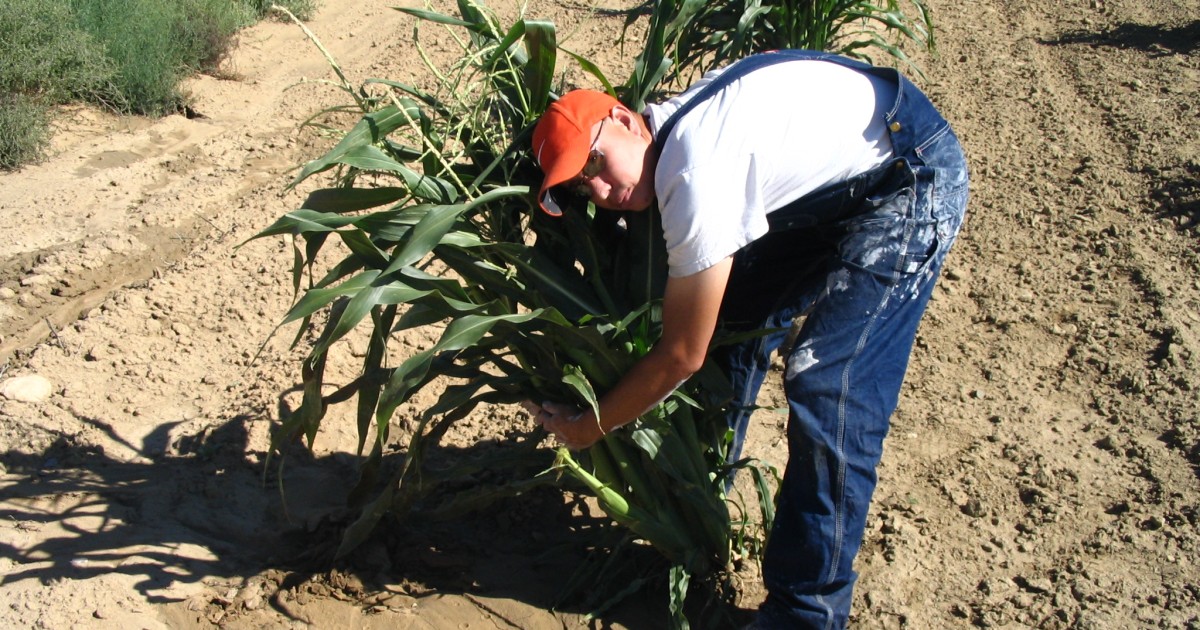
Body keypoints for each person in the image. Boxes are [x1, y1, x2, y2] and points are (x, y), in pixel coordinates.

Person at [525, 49, 969, 628]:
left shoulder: (693, 169)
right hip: (836, 187)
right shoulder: (675, 139)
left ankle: (806, 612)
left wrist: (589, 428)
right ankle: (702, 508)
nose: (602, 190)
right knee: (736, 329)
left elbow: (683, 355)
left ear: (629, 120)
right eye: (584, 185)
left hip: (904, 173)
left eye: (598, 162)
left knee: (828, 383)